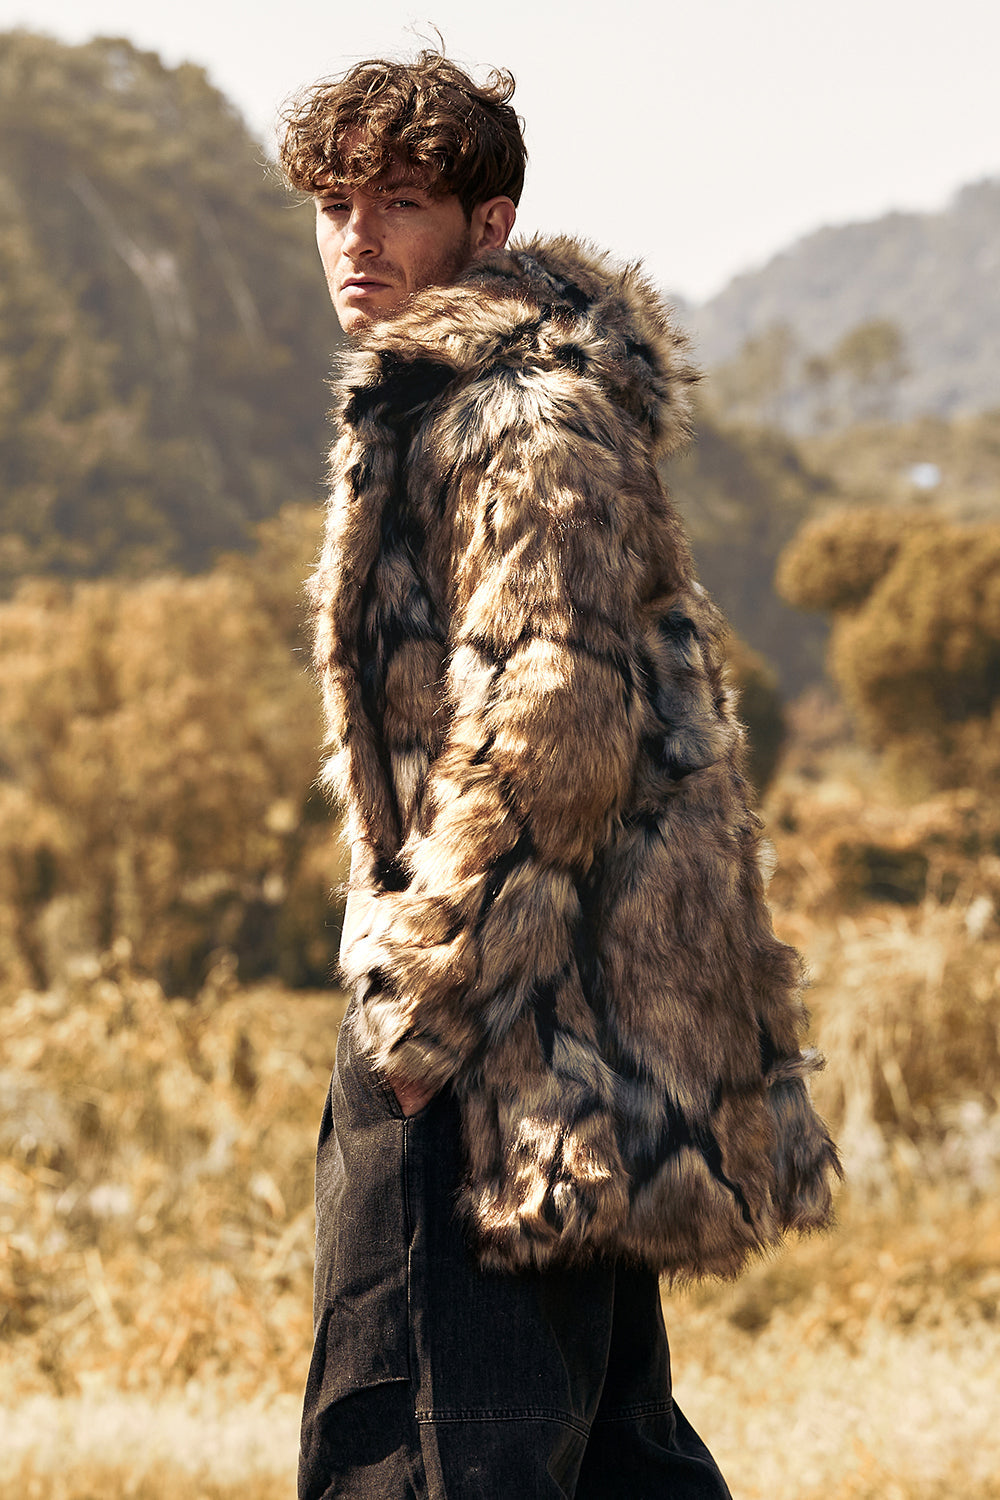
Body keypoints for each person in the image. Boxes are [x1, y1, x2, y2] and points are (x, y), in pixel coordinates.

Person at [280, 50, 840, 1500]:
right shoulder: (486, 400)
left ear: (489, 223)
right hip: (576, 1035)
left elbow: (553, 728)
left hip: (495, 1037)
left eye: (399, 202)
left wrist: (420, 1000)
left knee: (416, 1452)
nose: (358, 238)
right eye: (337, 204)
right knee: (609, 1462)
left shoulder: (512, 418)